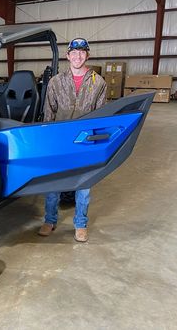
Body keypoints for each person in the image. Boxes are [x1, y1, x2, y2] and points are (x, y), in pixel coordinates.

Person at [38, 37, 107, 242]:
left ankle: (80, 224)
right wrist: (48, 141)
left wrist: (97, 143)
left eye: (82, 53)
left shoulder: (99, 83)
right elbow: (48, 112)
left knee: (83, 186)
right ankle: (50, 220)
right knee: (53, 184)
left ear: (87, 55)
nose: (78, 56)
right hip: (60, 141)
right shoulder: (56, 81)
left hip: (85, 142)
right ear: (68, 56)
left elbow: (101, 115)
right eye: (74, 53)